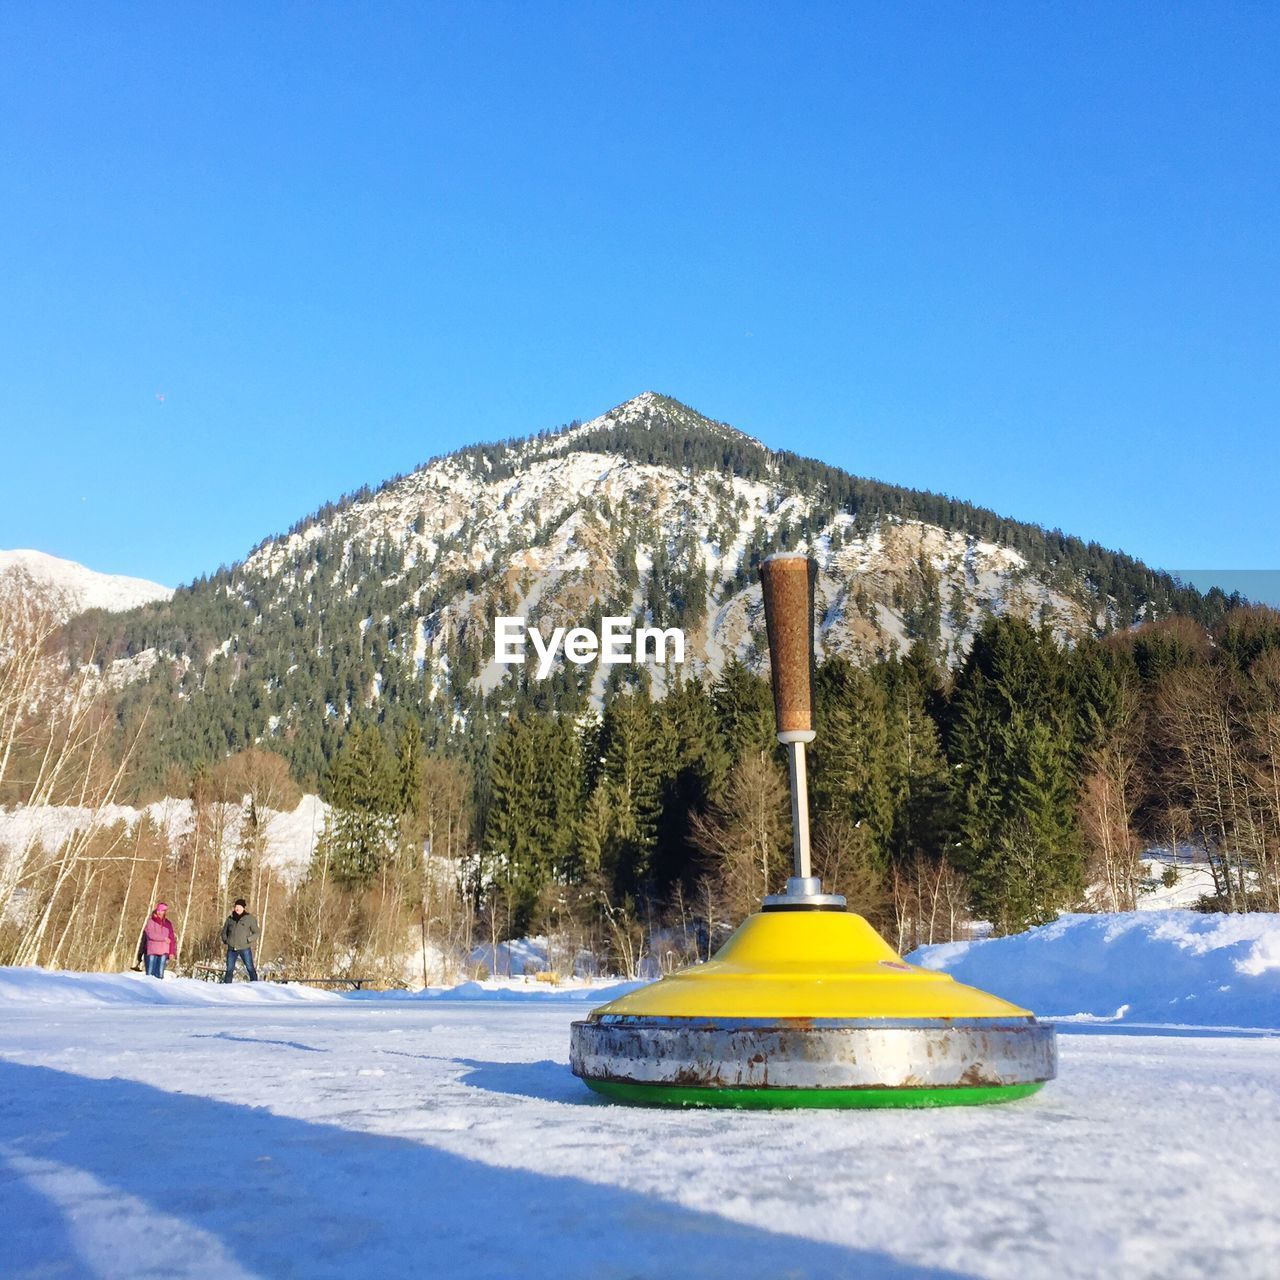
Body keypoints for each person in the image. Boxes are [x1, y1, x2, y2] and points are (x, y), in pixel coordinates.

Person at [220, 898, 260, 982]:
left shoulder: (249, 918)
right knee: (229, 970)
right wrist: (226, 940)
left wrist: (248, 939)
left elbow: (256, 932)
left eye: (239, 907)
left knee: (250, 968)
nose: (237, 908)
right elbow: (224, 931)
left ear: (243, 908)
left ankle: (256, 985)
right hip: (232, 948)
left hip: (244, 948)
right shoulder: (230, 918)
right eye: (236, 906)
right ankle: (226, 987)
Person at [139, 902, 177, 978]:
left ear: (165, 912)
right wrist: (164, 938)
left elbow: (172, 938)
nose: (160, 912)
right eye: (158, 910)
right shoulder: (151, 922)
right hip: (151, 951)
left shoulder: (168, 924)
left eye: (162, 911)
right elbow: (151, 935)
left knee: (160, 975)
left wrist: (172, 952)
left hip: (164, 952)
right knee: (149, 975)